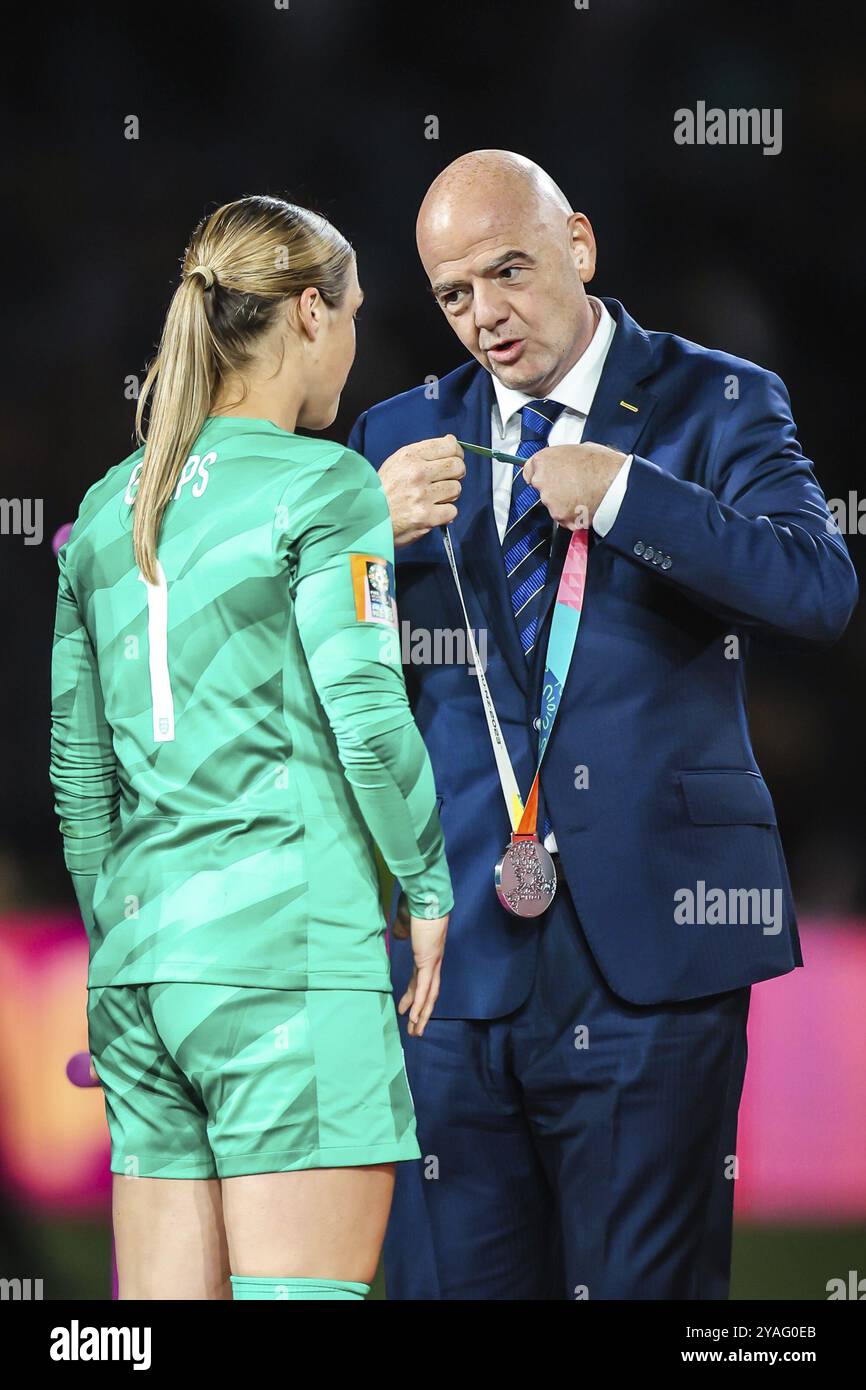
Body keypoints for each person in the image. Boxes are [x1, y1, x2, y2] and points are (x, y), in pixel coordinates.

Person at [347, 150, 859, 1299]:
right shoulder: (392, 435)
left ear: (578, 245)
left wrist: (628, 495)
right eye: (451, 294)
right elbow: (322, 672)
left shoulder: (714, 397)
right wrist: (356, 549)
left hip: (654, 957)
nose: (484, 317)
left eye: (508, 271)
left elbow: (816, 590)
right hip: (450, 968)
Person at [49, 194, 452, 1301]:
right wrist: (425, 887)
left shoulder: (104, 509)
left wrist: (129, 939)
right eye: (357, 309)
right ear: (311, 314)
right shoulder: (326, 487)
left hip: (141, 974)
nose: (358, 337)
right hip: (287, 957)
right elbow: (367, 720)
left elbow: (81, 786)